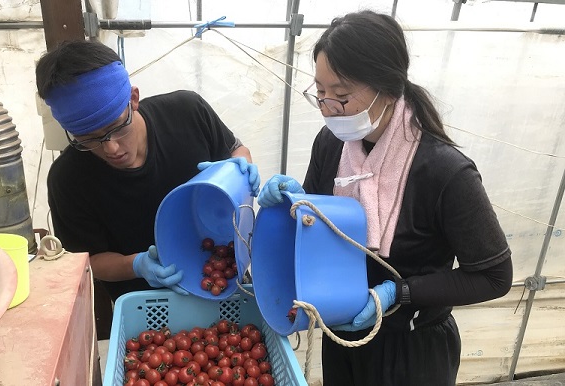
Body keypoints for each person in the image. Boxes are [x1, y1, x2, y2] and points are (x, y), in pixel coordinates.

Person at [258, 10, 512, 386]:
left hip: (412, 349)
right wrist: (292, 205)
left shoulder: (444, 172)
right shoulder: (332, 144)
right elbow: (318, 228)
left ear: (388, 90)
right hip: (344, 334)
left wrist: (399, 292)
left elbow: (494, 276)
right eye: (320, 92)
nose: (327, 108)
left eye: (341, 96)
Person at [35, 39, 260, 334]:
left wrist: (239, 169)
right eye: (88, 139)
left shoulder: (187, 112)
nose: (111, 148)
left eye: (117, 126)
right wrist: (137, 264)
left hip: (223, 277)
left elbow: (236, 150)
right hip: (148, 313)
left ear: (134, 98)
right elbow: (89, 260)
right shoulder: (68, 178)